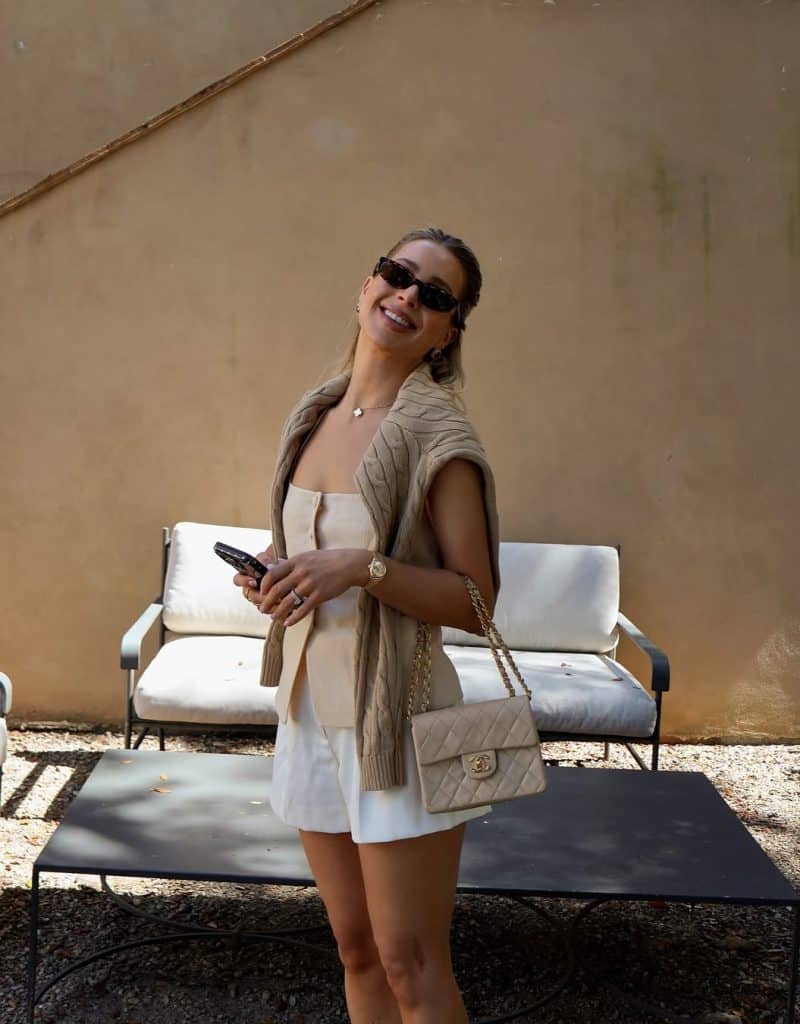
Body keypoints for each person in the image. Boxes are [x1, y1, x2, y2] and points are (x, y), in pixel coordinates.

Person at [234, 227, 500, 1024]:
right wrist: (278, 576)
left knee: (409, 964)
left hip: (401, 724)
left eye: (434, 295)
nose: (407, 295)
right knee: (355, 951)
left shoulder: (438, 437)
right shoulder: (314, 413)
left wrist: (362, 569)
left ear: (446, 331)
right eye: (397, 274)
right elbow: (307, 548)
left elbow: (478, 602)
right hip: (309, 715)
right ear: (366, 284)